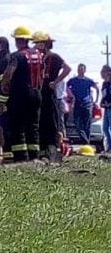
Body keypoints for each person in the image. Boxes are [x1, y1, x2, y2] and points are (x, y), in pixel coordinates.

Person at [0, 25, 43, 162]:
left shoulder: (16, 56)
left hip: (20, 96)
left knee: (18, 127)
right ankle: (34, 156)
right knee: (33, 126)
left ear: (18, 40)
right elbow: (41, 75)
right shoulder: (38, 55)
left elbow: (8, 74)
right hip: (36, 94)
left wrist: (4, 86)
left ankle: (21, 158)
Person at [33, 31, 71, 161]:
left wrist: (56, 82)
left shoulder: (54, 57)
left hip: (49, 94)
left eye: (38, 44)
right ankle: (42, 150)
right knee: (40, 122)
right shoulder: (37, 58)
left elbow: (67, 68)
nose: (36, 47)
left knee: (52, 121)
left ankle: (54, 150)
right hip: (39, 93)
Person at [66, 64, 99, 144]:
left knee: (87, 124)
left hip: (87, 104)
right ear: (77, 70)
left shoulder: (88, 80)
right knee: (77, 123)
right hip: (77, 104)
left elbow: (97, 89)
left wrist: (96, 101)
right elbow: (66, 87)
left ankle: (86, 143)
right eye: (79, 69)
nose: (80, 70)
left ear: (85, 70)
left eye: (82, 69)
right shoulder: (73, 80)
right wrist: (71, 96)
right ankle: (85, 139)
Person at [100, 65, 111, 152]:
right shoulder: (105, 83)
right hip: (106, 108)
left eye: (103, 72)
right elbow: (104, 95)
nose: (102, 74)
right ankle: (108, 147)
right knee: (105, 128)